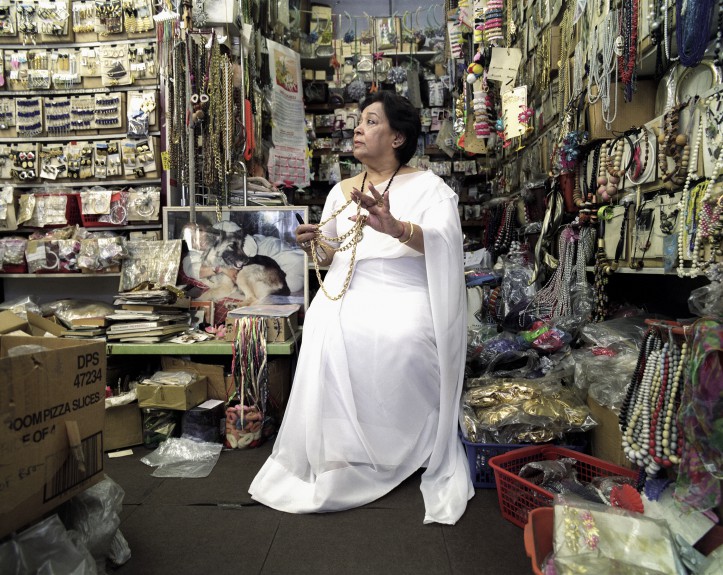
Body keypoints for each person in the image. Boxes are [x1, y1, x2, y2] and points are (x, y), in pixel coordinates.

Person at [249, 91, 473, 524]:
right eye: (359, 121)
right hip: (347, 287)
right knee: (326, 328)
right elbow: (330, 255)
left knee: (403, 337)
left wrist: (397, 227)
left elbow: (445, 244)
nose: (358, 129)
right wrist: (314, 244)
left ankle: (404, 444)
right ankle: (343, 447)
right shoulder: (341, 190)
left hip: (405, 287)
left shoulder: (430, 187)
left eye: (371, 121)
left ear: (397, 138)